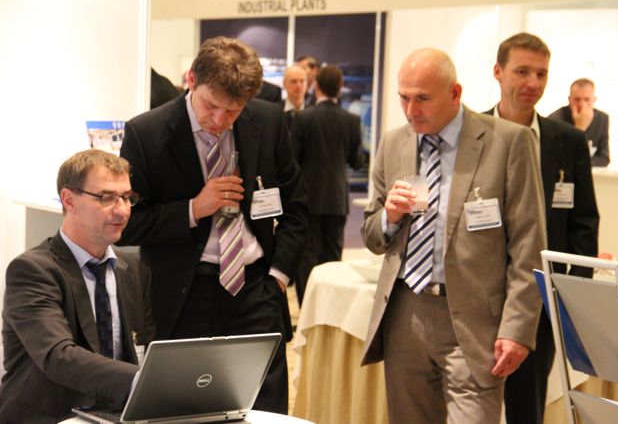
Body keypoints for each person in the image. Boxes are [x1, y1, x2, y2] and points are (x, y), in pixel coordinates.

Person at [118, 36, 308, 414]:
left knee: (264, 407)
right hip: (184, 295)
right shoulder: (147, 133)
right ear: (191, 79)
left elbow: (297, 207)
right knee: (186, 408)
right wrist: (193, 208)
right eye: (211, 106)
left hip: (256, 288)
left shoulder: (269, 122)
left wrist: (277, 277)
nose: (220, 121)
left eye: (233, 111)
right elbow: (128, 224)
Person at [360, 48, 546, 424]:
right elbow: (371, 235)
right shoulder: (393, 143)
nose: (411, 110)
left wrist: (517, 329)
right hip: (405, 313)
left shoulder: (508, 142)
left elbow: (529, 245)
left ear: (455, 93)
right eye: (403, 97)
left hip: (475, 322)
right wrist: (389, 217)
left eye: (423, 98)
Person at [488, 32, 599, 424]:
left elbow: (584, 222)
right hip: (477, 296)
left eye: (541, 74)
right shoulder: (472, 134)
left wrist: (570, 295)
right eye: (522, 71)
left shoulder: (568, 141)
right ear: (498, 72)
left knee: (526, 407)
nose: (533, 83)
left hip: (539, 302)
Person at [0, 149, 155, 423]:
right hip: (50, 417)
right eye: (106, 197)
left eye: (126, 197)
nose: (122, 210)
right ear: (69, 200)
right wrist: (145, 380)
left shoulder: (133, 270)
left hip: (116, 414)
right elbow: (59, 356)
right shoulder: (32, 270)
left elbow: (143, 348)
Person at [290, 64, 363, 305]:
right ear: (339, 88)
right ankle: (329, 308)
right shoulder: (351, 120)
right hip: (336, 198)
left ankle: (307, 307)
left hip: (308, 198)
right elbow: (357, 161)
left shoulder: (303, 118)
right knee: (332, 256)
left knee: (307, 256)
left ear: (317, 86)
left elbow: (293, 160)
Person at [548, 78, 610, 167]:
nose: (582, 104)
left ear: (594, 100)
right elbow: (558, 158)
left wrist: (581, 166)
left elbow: (604, 158)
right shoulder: (554, 119)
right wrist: (580, 128)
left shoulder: (602, 118)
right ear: (569, 99)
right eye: (577, 99)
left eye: (587, 99)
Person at [279, 64, 307, 129]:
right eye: (293, 81)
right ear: (284, 84)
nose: (298, 86)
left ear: (307, 84)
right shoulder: (276, 111)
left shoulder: (314, 112)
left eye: (302, 81)